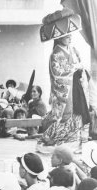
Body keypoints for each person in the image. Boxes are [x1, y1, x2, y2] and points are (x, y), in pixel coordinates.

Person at [37, 8, 97, 153]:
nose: (70, 37)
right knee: (63, 117)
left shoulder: (74, 50)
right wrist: (74, 69)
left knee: (80, 114)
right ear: (59, 37)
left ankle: (76, 144)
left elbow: (80, 65)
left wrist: (81, 70)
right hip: (66, 91)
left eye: (71, 34)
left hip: (77, 87)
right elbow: (57, 74)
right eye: (67, 35)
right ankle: (52, 142)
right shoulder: (55, 54)